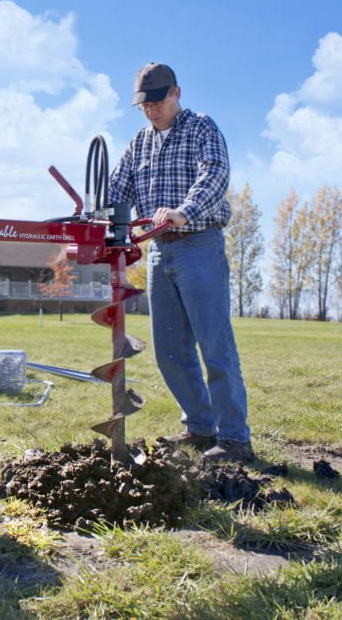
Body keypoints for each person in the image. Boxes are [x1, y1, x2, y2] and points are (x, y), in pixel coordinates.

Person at [108, 62, 253, 462]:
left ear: (176, 93)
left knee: (214, 345)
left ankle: (236, 438)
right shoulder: (139, 142)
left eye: (157, 101)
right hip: (159, 253)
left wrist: (183, 211)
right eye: (144, 105)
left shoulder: (201, 127)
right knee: (169, 349)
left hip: (198, 245)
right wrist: (99, 216)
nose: (151, 110)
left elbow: (216, 173)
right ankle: (200, 427)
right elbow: (117, 188)